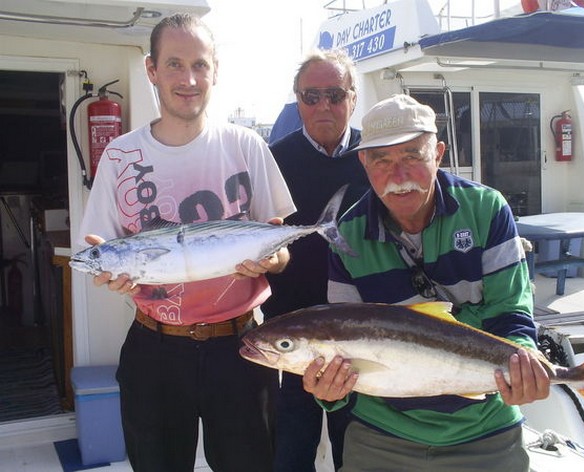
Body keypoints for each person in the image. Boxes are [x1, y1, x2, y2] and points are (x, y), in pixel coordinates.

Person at [77, 13, 296, 472]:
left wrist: (271, 258)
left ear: (215, 70)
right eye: (174, 64)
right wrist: (109, 274)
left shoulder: (247, 146)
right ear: (151, 69)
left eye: (200, 64)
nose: (189, 79)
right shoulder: (120, 156)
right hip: (153, 349)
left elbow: (280, 251)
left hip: (241, 347)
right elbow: (103, 246)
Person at [302, 94, 551, 472]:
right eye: (382, 161)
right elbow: (342, 337)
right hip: (380, 436)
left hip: (487, 431)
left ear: (438, 153)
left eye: (412, 157)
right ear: (364, 163)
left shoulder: (487, 210)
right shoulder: (347, 236)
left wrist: (523, 364)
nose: (398, 178)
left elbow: (510, 314)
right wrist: (330, 394)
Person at [261, 48, 369, 472]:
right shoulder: (272, 160)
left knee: (357, 453)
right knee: (289, 453)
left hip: (359, 334)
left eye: (335, 95)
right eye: (311, 96)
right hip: (288, 334)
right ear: (297, 99)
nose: (323, 105)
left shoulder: (376, 157)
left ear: (353, 99)